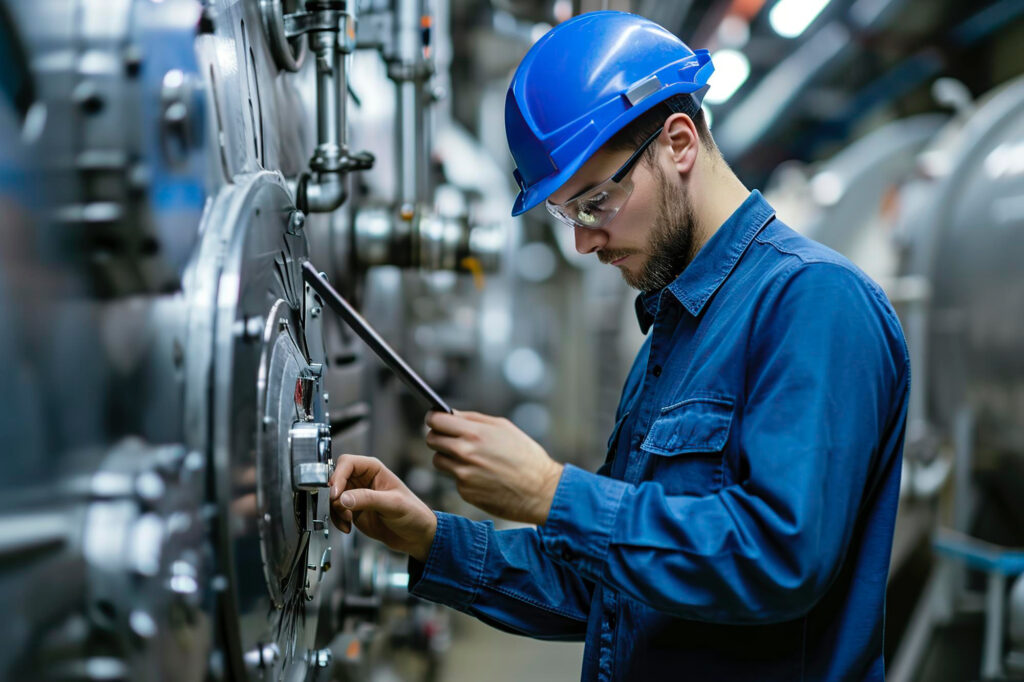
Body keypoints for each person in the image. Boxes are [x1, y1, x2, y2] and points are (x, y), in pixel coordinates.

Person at [329, 11, 910, 681]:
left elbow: (780, 558)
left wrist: (551, 492)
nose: (583, 241)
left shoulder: (813, 303)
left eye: (596, 203)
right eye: (567, 214)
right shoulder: (676, 327)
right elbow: (611, 582)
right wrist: (433, 538)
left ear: (680, 143)